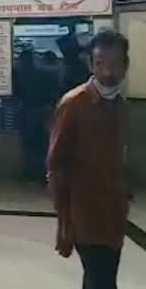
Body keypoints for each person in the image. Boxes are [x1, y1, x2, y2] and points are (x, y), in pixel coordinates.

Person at [47, 30, 130, 289]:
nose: (107, 72)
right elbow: (56, 166)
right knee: (100, 280)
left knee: (102, 280)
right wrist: (64, 223)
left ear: (125, 66)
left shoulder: (119, 105)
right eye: (100, 64)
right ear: (90, 65)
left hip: (113, 217)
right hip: (86, 216)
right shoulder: (73, 104)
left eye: (115, 65)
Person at [14, 50, 56, 182]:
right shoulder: (44, 72)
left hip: (27, 110)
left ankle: (30, 173)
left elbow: (17, 92)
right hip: (43, 111)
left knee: (29, 146)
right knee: (43, 145)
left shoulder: (18, 73)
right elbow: (53, 91)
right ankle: (43, 175)